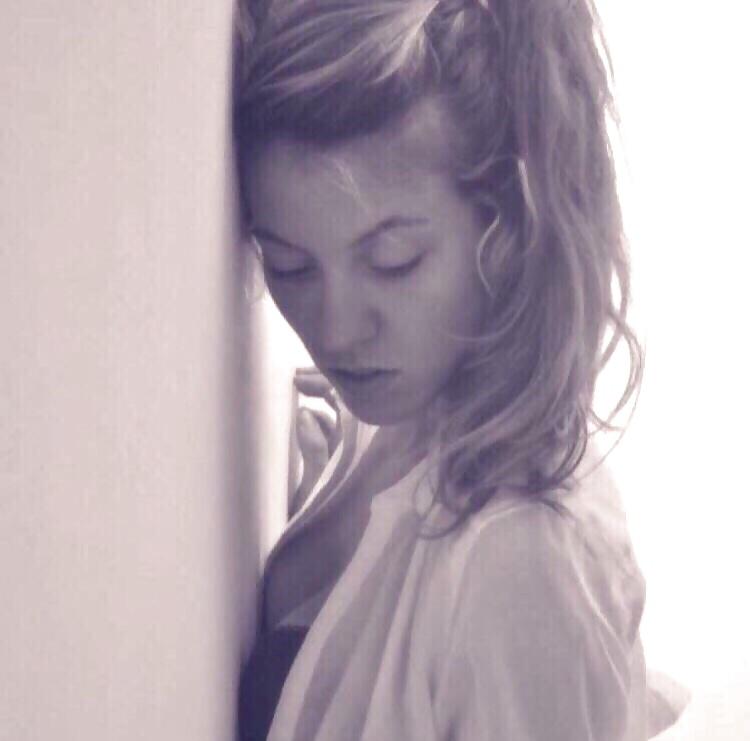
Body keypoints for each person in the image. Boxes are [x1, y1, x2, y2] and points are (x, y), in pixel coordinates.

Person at [232, 1, 689, 739]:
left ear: (508, 235)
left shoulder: (529, 559)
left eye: (394, 261)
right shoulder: (394, 415)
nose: (333, 330)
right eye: (290, 266)